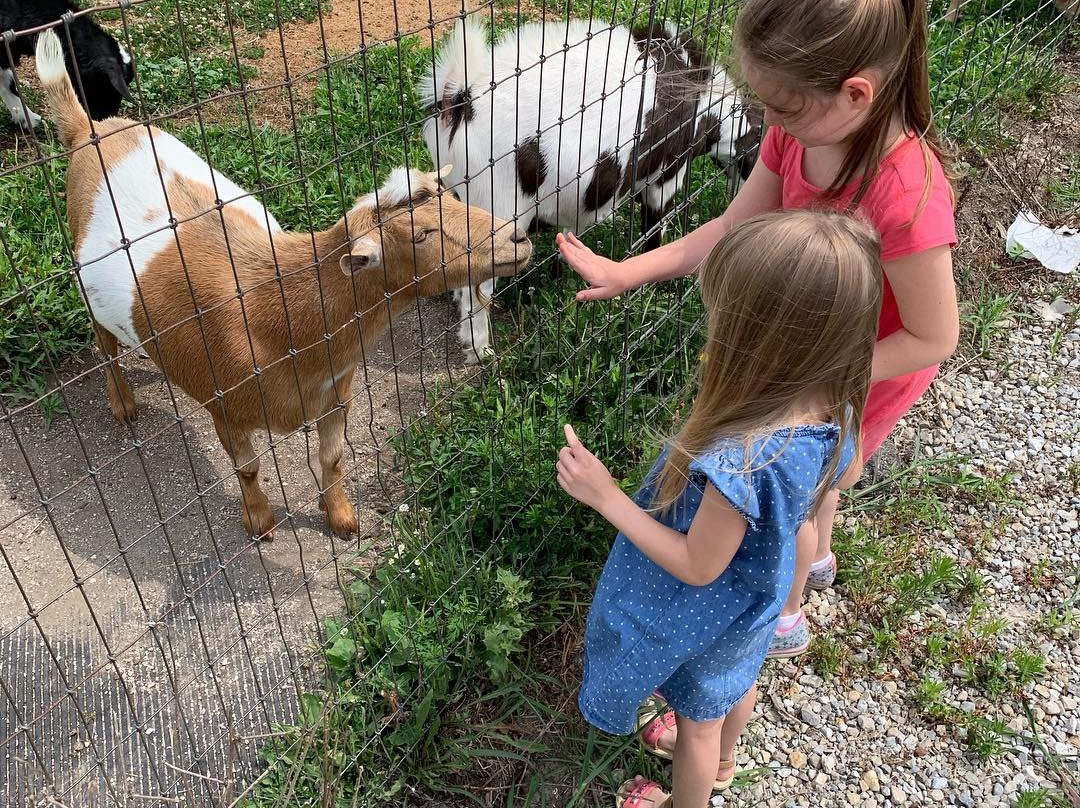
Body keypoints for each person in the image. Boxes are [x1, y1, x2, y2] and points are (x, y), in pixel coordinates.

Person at [557, 0, 958, 662]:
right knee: (820, 478)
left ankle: (786, 612)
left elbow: (933, 337)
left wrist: (811, 387)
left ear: (856, 92)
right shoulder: (802, 133)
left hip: (864, 365)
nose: (767, 120)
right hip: (805, 352)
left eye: (784, 106)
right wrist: (631, 270)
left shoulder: (907, 197)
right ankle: (821, 556)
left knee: (797, 493)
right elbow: (731, 229)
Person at [557, 210, 882, 807]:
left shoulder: (744, 457)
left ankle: (690, 793)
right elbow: (847, 474)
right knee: (734, 687)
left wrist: (605, 497)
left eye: (724, 319)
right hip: (760, 599)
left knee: (698, 726)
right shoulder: (837, 407)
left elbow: (698, 565)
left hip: (707, 608)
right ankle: (727, 759)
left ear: (759, 343)